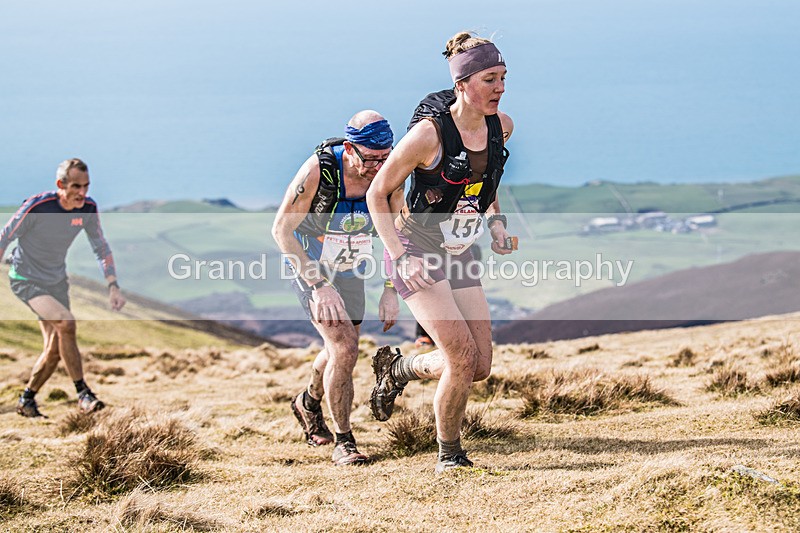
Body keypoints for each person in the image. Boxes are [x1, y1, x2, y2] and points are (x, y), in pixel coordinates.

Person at [366, 32, 515, 473]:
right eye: (490, 78)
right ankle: (449, 455)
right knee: (461, 358)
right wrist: (399, 254)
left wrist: (497, 222)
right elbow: (378, 193)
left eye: (503, 77)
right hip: (416, 247)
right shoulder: (428, 136)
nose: (500, 87)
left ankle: (400, 370)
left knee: (480, 365)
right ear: (462, 83)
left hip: (461, 249)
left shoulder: (501, 126)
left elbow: (485, 183)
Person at [272, 111, 404, 466]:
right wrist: (318, 285)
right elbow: (281, 231)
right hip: (310, 265)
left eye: (385, 156)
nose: (379, 166)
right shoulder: (319, 170)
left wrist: (391, 288)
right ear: (349, 148)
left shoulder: (391, 173)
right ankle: (344, 442)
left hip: (350, 266)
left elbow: (398, 235)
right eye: (371, 158)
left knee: (340, 348)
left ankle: (308, 403)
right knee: (345, 348)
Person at [0, 158, 126, 418]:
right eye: (76, 186)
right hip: (26, 278)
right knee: (67, 323)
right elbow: (6, 235)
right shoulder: (38, 206)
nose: (82, 192)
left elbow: (100, 247)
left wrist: (113, 285)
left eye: (86, 186)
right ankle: (83, 393)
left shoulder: (88, 209)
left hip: (56, 281)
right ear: (61, 184)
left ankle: (26, 400)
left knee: (56, 349)